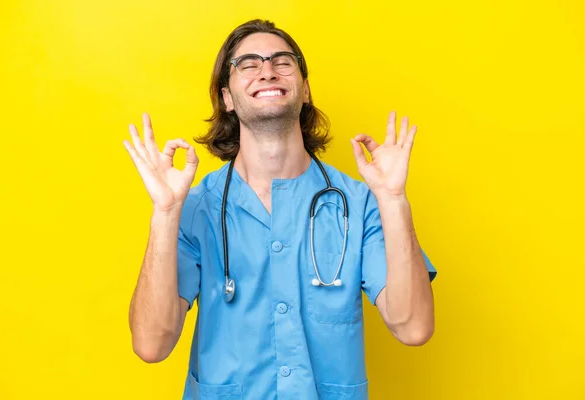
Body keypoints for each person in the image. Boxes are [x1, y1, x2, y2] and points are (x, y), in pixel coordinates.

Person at [124, 19, 437, 400]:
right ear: (227, 97)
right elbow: (151, 345)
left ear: (304, 90)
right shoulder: (195, 208)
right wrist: (165, 212)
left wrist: (394, 200)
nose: (268, 71)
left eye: (282, 61)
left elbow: (413, 328)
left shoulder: (361, 204)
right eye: (249, 64)